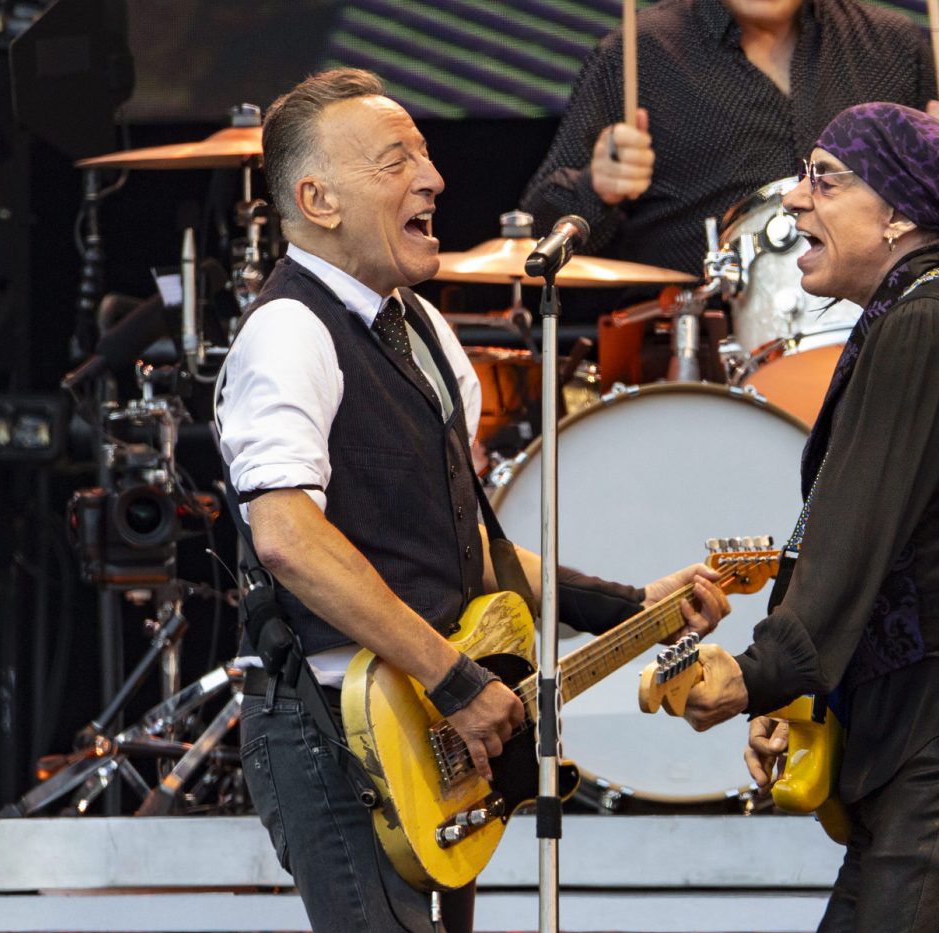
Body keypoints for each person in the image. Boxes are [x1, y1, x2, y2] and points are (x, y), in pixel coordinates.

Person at [214, 68, 730, 933]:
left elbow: (471, 553)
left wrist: (634, 604)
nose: (434, 178)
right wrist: (455, 680)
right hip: (335, 727)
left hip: (428, 731)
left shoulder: (422, 330)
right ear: (318, 199)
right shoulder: (288, 331)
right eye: (396, 161)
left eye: (425, 154)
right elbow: (288, 539)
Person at [680, 102, 939, 933]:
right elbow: (879, 534)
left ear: (898, 209)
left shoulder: (933, 318)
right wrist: (796, 696)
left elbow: (855, 529)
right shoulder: (933, 309)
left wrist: (763, 670)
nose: (796, 199)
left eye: (825, 180)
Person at [519, 0, 939, 277]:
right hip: (696, 352)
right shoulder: (637, 54)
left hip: (881, 336)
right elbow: (534, 231)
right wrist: (597, 186)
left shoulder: (894, 47)